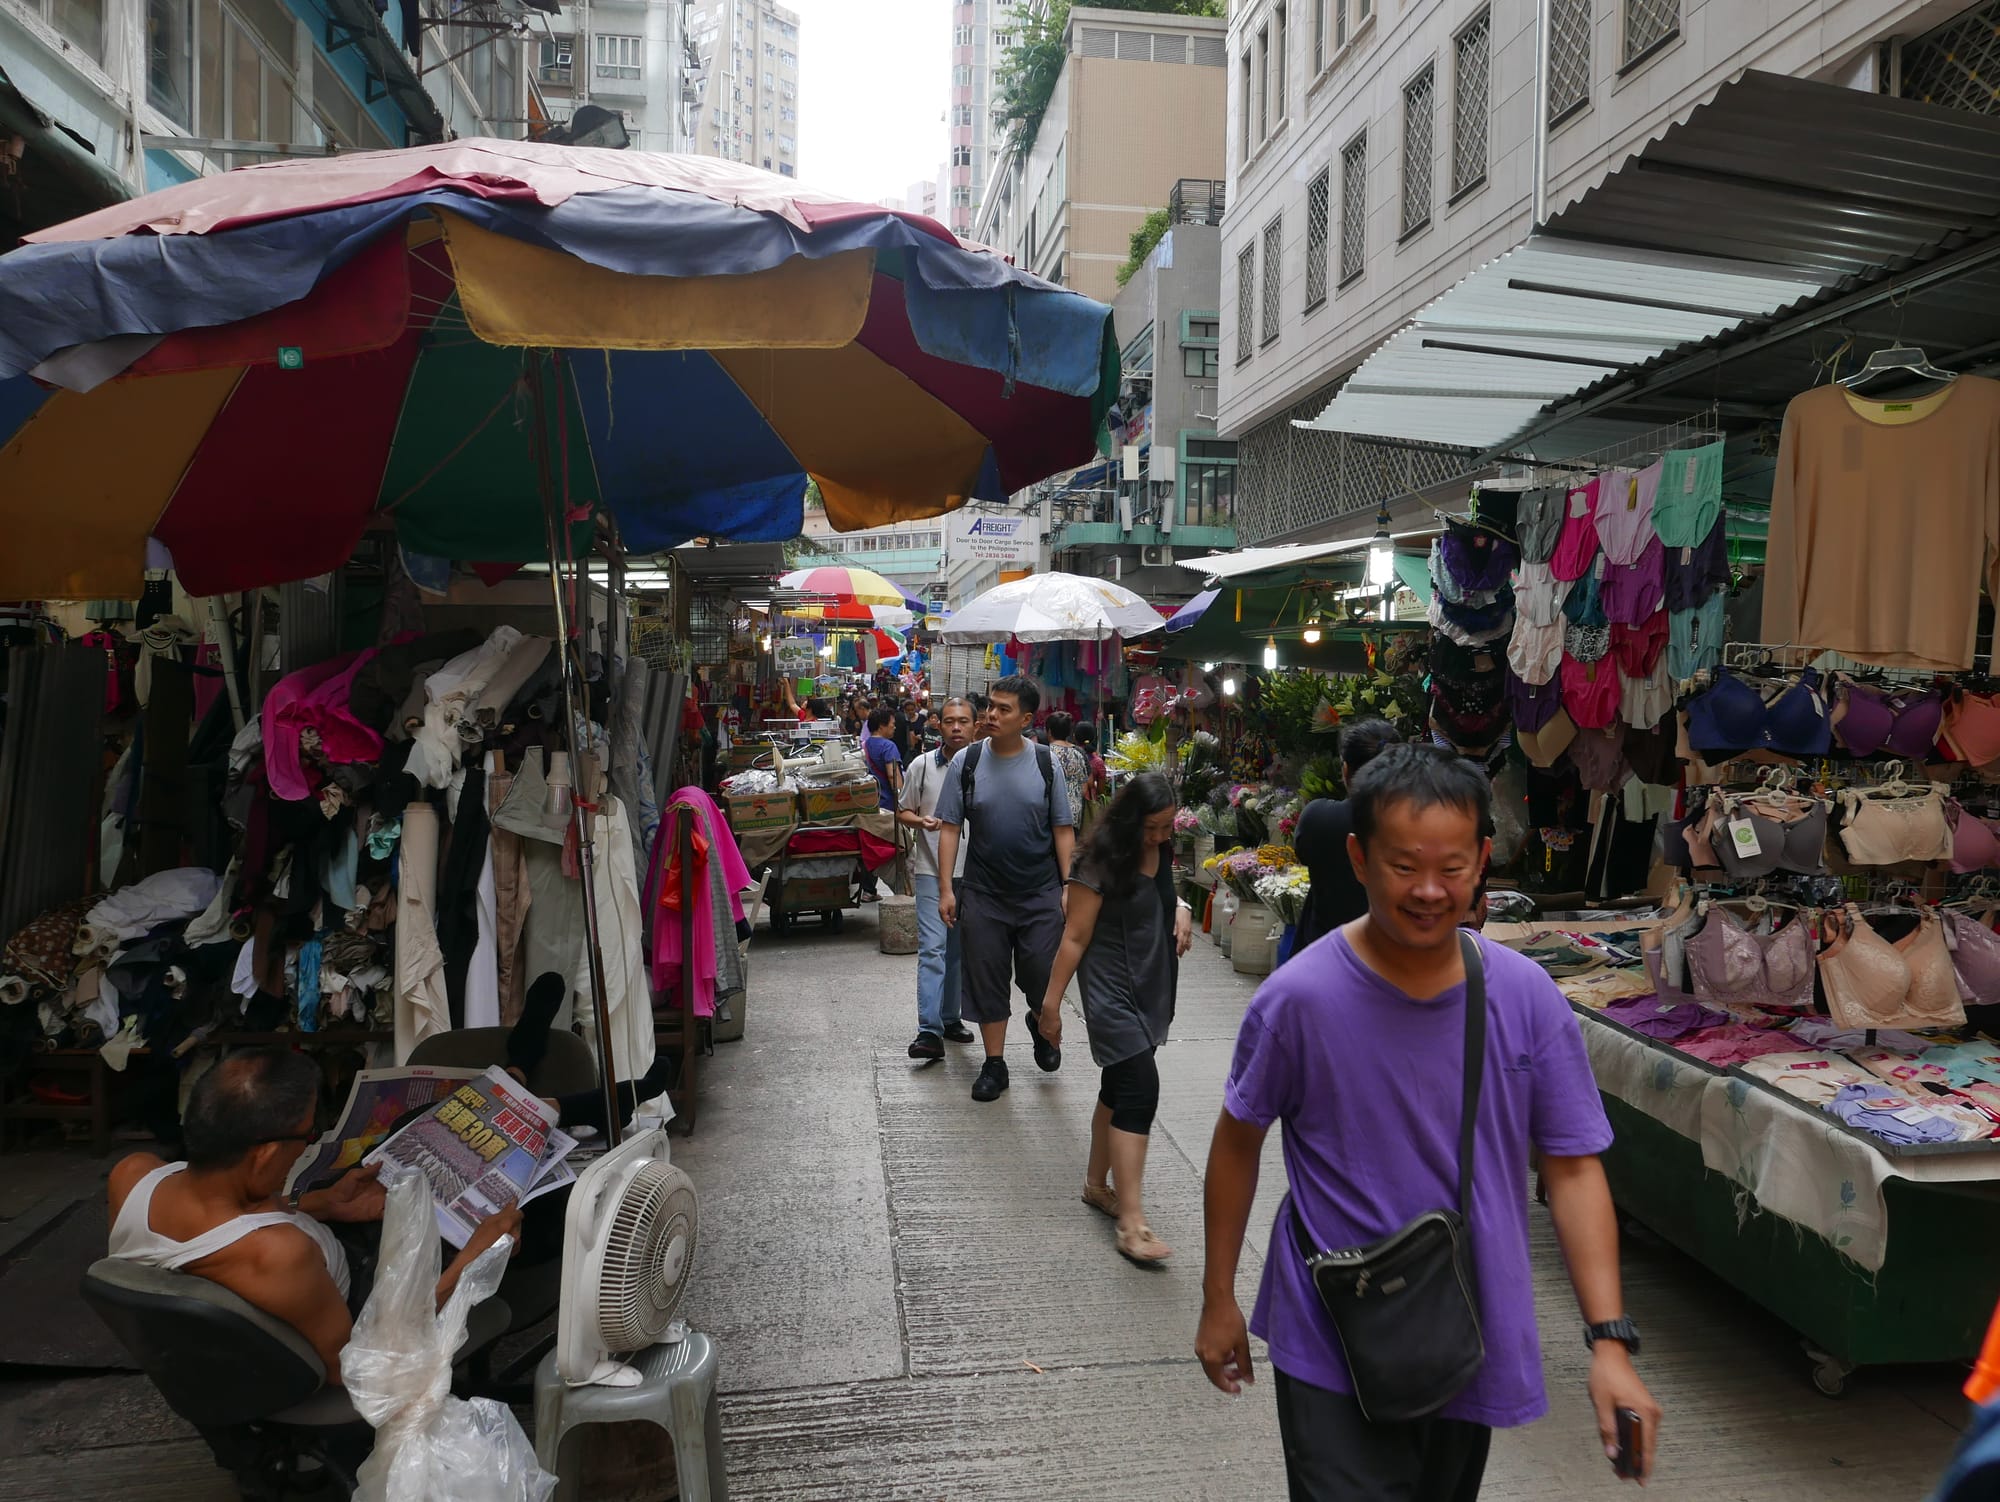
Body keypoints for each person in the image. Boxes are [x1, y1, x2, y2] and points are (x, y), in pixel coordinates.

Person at [1196, 746, 1660, 1499]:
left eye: (1451, 867)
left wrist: (1611, 1343)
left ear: (1483, 860)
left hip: (1465, 1329)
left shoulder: (1527, 998)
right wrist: (1220, 1297)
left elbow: (1572, 1168)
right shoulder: (1297, 1000)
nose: (1429, 890)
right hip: (1331, 1329)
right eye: (1404, 866)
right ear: (1358, 856)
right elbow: (1236, 1144)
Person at [106, 1047, 522, 1385]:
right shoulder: (280, 1254)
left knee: (413, 1126)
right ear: (265, 1153)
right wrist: (473, 1262)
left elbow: (217, 1231)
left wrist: (321, 1205)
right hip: (365, 1303)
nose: (309, 1141)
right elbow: (357, 1363)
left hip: (297, 1281)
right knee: (521, 1213)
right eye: (306, 1135)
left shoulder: (132, 1175)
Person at [1036, 771, 1192, 1266]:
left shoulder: (1161, 850)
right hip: (1110, 991)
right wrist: (1051, 1005)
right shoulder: (1097, 861)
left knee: (1118, 1085)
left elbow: (1166, 894)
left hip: (1150, 983)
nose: (1162, 837)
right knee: (1140, 1090)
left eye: (1168, 828)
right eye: (1153, 828)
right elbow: (1076, 938)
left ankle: (1094, 1186)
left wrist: (1183, 907)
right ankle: (1131, 1221)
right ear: (1129, 820)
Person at [935, 675, 1075, 1102]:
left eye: (1003, 709)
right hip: (983, 892)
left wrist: (1069, 885)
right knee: (987, 976)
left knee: (1040, 972)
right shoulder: (968, 762)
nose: (991, 715)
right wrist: (946, 888)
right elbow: (950, 828)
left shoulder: (1047, 763)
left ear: (1027, 719)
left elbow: (1063, 829)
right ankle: (995, 1064)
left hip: (1039, 893)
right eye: (990, 706)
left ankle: (1039, 1016)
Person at [898, 696, 980, 1059]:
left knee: (958, 952)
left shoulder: (985, 766)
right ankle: (929, 1031)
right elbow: (903, 811)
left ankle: (951, 1018)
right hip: (933, 871)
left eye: (963, 721)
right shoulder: (921, 766)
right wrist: (923, 821)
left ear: (976, 726)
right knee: (933, 949)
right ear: (938, 725)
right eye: (950, 721)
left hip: (975, 873)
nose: (957, 728)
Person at [1290, 719, 1404, 952]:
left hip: (1325, 955)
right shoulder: (1415, 827)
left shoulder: (1318, 818)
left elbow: (1303, 853)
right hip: (1393, 959)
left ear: (1345, 769)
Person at [1044, 711, 1092, 821]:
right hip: (1074, 814)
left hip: (1050, 815)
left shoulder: (1045, 753)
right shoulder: (1078, 753)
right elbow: (1084, 788)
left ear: (1049, 731)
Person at [1077, 720, 1108, 805]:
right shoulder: (1098, 762)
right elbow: (1101, 790)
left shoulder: (1072, 756)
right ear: (1093, 737)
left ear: (1074, 737)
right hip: (1090, 803)